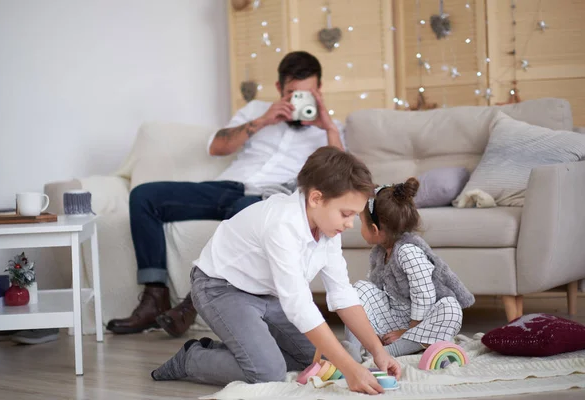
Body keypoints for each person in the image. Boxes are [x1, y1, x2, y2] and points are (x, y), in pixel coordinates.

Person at [106, 51, 346, 337]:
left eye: (307, 94)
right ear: (279, 88)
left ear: (318, 91)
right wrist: (263, 120)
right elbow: (217, 147)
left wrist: (328, 126)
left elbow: (338, 180)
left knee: (245, 211)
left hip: (268, 197)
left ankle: (191, 304)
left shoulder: (331, 129)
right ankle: (154, 296)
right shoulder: (257, 110)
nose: (299, 101)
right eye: (292, 93)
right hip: (226, 186)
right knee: (144, 196)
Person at [151, 147, 402, 395]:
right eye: (346, 214)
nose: (349, 224)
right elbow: (299, 307)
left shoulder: (328, 229)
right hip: (220, 287)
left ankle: (246, 352)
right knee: (268, 373)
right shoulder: (282, 224)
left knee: (321, 358)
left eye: (354, 216)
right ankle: (192, 358)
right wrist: (349, 370)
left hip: (268, 294)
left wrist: (379, 352)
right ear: (316, 198)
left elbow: (342, 295)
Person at [341, 178, 475, 360]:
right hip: (394, 316)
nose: (358, 227)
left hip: (421, 321)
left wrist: (408, 330)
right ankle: (353, 351)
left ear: (374, 229)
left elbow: (424, 294)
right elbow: (377, 288)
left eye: (361, 222)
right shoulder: (379, 252)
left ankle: (393, 350)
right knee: (356, 292)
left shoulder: (408, 251)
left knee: (451, 309)